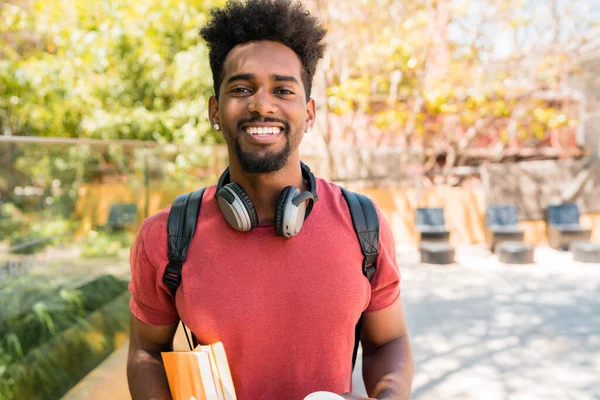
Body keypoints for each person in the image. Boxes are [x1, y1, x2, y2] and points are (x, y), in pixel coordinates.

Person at [126, 0, 413, 399]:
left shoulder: (363, 223)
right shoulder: (166, 234)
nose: (262, 104)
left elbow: (388, 342)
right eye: (242, 89)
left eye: (283, 90)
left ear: (309, 113)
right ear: (215, 111)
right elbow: (146, 351)